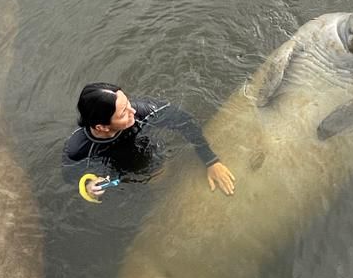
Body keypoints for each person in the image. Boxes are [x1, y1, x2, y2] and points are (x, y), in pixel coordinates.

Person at [63, 82, 236, 202]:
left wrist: (211, 161)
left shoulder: (143, 111)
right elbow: (70, 175)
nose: (133, 111)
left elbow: (185, 122)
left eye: (128, 102)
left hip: (144, 145)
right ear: (101, 127)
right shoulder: (78, 147)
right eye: (123, 113)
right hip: (112, 164)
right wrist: (88, 185)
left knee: (159, 173)